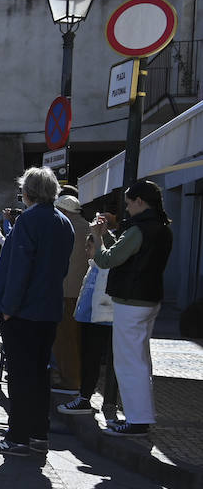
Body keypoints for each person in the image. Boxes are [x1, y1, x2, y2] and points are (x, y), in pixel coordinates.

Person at [0, 167, 74, 456]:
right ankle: (38, 433)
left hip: (23, 311)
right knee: (39, 374)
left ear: (27, 192)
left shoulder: (29, 221)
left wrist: (8, 308)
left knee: (21, 376)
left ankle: (19, 436)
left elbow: (19, 269)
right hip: (47, 308)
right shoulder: (63, 222)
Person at [91, 179, 173, 437]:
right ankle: (140, 418)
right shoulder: (161, 227)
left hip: (131, 301)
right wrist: (111, 237)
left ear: (139, 201)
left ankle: (137, 421)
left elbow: (106, 259)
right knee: (140, 361)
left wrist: (97, 236)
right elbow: (129, 253)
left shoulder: (138, 229)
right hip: (149, 299)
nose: (126, 209)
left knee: (129, 363)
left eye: (128, 204)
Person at [58, 210, 119, 421]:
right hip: (90, 318)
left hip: (99, 319)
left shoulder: (104, 266)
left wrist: (102, 235)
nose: (86, 249)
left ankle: (86, 398)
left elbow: (110, 250)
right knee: (89, 358)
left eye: (89, 245)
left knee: (92, 359)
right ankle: (86, 396)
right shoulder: (94, 266)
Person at [49, 188, 90, 393]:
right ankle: (75, 378)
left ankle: (69, 381)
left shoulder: (64, 227)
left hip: (66, 291)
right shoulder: (89, 227)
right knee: (77, 339)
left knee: (65, 339)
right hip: (84, 292)